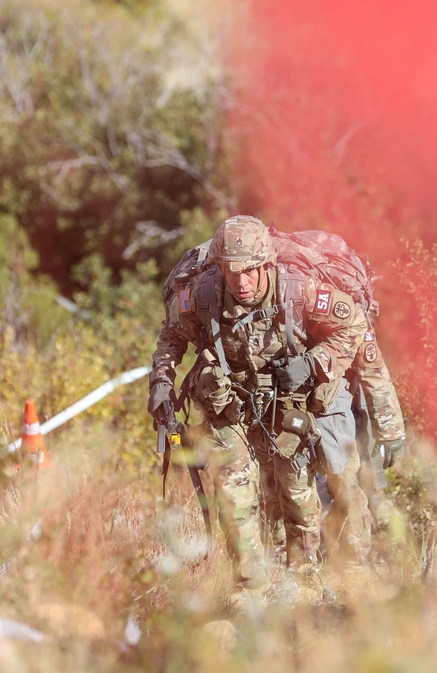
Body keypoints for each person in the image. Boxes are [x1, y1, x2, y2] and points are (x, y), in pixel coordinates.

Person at [148, 215, 370, 594]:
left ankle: (304, 575)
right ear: (219, 268)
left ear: (267, 263)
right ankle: (249, 584)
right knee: (235, 489)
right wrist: (161, 382)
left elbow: (353, 326)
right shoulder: (202, 296)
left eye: (250, 270)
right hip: (230, 403)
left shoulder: (299, 291)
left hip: (290, 403)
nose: (241, 281)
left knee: (296, 488)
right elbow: (171, 335)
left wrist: (313, 362)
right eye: (231, 272)